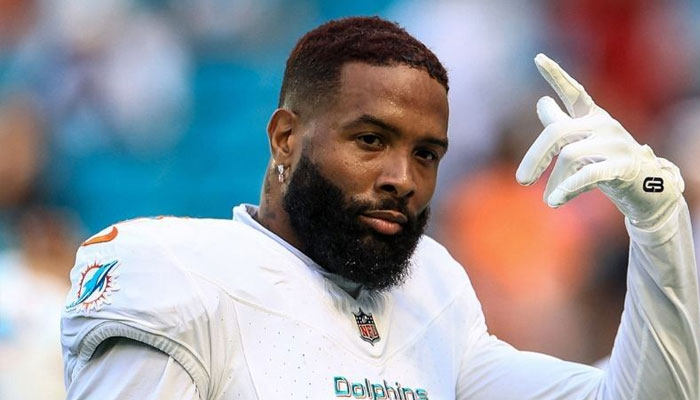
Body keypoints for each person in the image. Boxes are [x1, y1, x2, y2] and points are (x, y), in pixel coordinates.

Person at [60, 17, 699, 399]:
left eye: (427, 154)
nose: (402, 178)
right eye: (371, 141)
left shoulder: (434, 292)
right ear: (285, 137)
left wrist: (660, 222)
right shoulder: (171, 271)